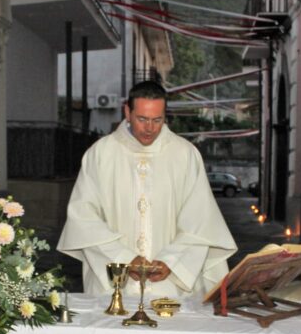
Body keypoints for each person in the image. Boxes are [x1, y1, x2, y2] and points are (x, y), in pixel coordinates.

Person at [58, 81, 236, 298]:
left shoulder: (185, 155)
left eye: (157, 120)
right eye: (142, 119)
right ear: (127, 112)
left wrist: (172, 261)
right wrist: (123, 258)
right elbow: (83, 218)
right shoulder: (101, 154)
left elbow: (200, 221)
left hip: (171, 288)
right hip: (115, 287)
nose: (149, 128)